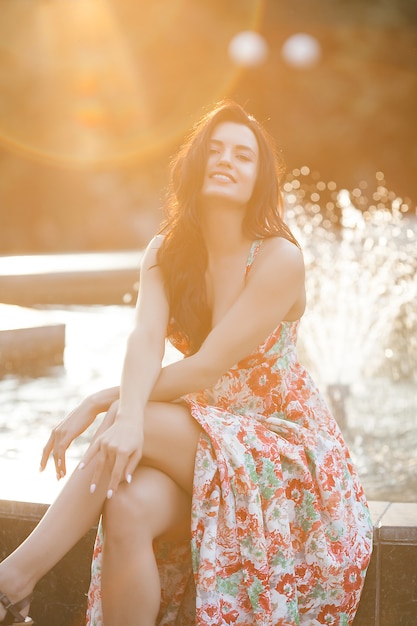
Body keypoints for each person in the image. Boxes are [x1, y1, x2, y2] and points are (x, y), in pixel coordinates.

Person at [0, 100, 372, 626]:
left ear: (259, 178)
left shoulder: (277, 259)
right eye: (214, 150)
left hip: (281, 452)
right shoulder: (166, 252)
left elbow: (206, 368)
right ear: (194, 165)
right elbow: (144, 338)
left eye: (242, 155)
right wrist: (124, 408)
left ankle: (11, 583)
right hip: (211, 445)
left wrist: (107, 401)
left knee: (134, 420)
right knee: (127, 505)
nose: (226, 160)